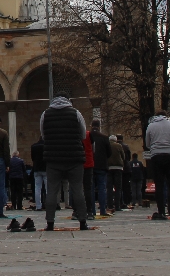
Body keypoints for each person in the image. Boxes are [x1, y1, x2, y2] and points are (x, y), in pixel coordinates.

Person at [40, 95, 88, 231]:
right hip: (74, 157)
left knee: (52, 191)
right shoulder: (76, 113)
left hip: (53, 158)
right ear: (68, 100)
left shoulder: (45, 114)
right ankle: (83, 221)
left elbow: (43, 135)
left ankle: (50, 222)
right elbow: (83, 134)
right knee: (78, 189)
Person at [145, 111, 170, 220]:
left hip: (157, 156)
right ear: (165, 115)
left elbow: (147, 143)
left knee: (159, 185)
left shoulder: (151, 126)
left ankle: (161, 211)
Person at [90, 120, 111, 216]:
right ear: (99, 126)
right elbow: (109, 153)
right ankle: (103, 210)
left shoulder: (87, 136)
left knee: (91, 188)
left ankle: (92, 210)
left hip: (90, 165)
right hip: (102, 166)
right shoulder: (104, 137)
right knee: (102, 188)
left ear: (91, 126)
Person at [107, 134, 124, 212]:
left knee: (109, 188)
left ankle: (110, 205)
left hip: (109, 168)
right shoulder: (118, 146)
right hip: (118, 167)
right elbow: (123, 156)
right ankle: (117, 205)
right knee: (118, 188)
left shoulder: (107, 145)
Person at [31, 136, 46, 210]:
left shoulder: (33, 146)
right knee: (48, 188)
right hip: (46, 168)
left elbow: (32, 158)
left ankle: (38, 206)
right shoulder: (47, 146)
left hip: (36, 168)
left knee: (37, 188)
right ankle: (48, 205)